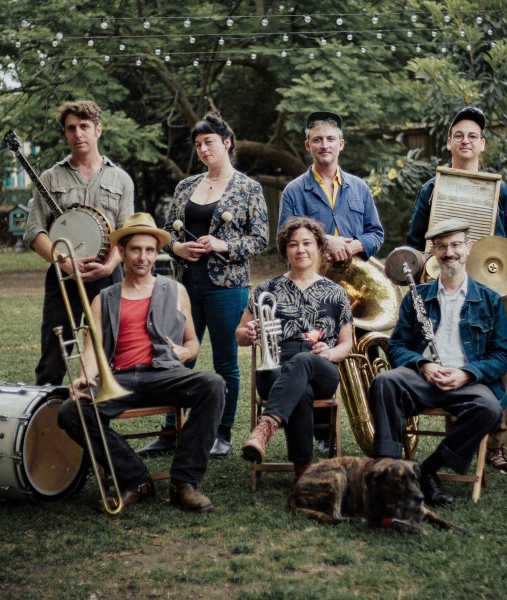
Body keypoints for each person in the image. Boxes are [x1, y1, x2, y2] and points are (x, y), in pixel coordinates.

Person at [57, 213, 224, 512]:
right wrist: (83, 377)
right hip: (119, 378)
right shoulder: (103, 299)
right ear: (121, 252)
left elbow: (192, 343)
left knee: (213, 384)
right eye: (135, 249)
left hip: (163, 374)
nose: (142, 257)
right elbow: (93, 350)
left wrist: (186, 353)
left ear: (156, 252)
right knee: (71, 411)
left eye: (149, 250)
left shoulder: (176, 290)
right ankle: (134, 478)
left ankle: (183, 482)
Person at [137, 112, 268, 459]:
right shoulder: (185, 186)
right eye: (198, 144)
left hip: (227, 286)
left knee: (226, 362)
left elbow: (260, 239)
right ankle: (169, 429)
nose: (203, 149)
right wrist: (177, 248)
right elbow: (166, 232)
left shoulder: (248, 188)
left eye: (209, 142)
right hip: (185, 286)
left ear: (227, 143)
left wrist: (222, 245)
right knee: (176, 356)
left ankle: (220, 433)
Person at [406, 105, 507, 475]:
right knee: (445, 353)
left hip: (489, 289)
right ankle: (459, 439)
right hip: (445, 286)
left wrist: (504, 281)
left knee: (491, 362)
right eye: (459, 134)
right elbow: (415, 243)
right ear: (448, 142)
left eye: (473, 135)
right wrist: (427, 266)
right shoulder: (432, 189)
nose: (466, 140)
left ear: (482, 144)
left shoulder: (498, 190)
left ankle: (497, 445)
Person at [369, 218, 507, 506]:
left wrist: (467, 374)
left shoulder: (490, 300)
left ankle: (427, 470)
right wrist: (423, 365)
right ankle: (390, 473)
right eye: (442, 247)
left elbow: (502, 355)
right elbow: (397, 345)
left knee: (490, 407)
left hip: (466, 383)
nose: (450, 253)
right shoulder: (417, 296)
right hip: (424, 379)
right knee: (385, 381)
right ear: (433, 252)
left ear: (468, 248)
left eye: (456, 245)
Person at [277, 110, 383, 454]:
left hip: (353, 292)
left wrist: (355, 244)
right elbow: (285, 238)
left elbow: (376, 234)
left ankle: (374, 427)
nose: (325, 145)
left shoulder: (360, 187)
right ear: (308, 146)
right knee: (316, 354)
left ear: (341, 144)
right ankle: (323, 433)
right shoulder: (295, 190)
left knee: (360, 356)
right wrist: (325, 242)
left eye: (330, 139)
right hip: (312, 293)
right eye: (317, 139)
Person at [23, 100, 134, 387]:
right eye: (71, 128)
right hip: (64, 277)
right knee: (54, 353)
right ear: (65, 134)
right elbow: (35, 232)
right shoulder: (49, 177)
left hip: (107, 276)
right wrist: (64, 261)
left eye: (84, 126)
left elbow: (127, 233)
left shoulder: (121, 179)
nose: (78, 133)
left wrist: (110, 265)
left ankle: (99, 424)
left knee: (105, 351)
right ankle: (46, 425)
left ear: (98, 129)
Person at [237, 217, 353, 481]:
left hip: (321, 364)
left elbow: (347, 342)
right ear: (285, 250)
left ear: (319, 248)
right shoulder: (267, 288)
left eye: (307, 243)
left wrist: (331, 353)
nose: (300, 249)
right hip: (275, 367)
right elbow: (240, 335)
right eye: (293, 244)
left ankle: (266, 427)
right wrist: (249, 332)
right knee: (301, 388)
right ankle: (303, 471)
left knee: (303, 361)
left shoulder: (336, 293)